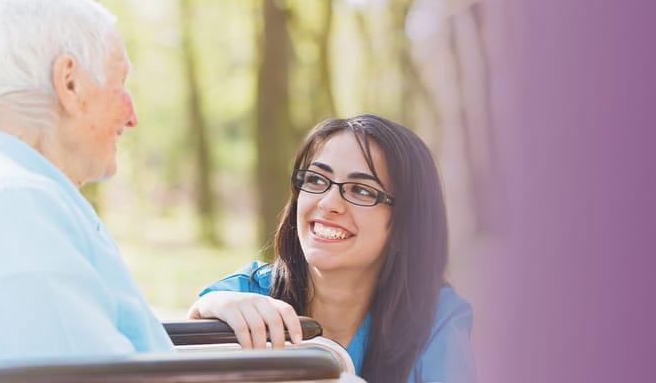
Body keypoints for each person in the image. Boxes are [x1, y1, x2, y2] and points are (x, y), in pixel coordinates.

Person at [0, 0, 173, 382]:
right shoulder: (12, 205)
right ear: (70, 84)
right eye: (119, 84)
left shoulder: (7, 188)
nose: (131, 115)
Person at [189, 114, 477, 382]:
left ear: (406, 223)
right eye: (316, 180)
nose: (328, 204)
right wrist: (209, 307)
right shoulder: (252, 292)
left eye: (362, 190)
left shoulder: (437, 321)